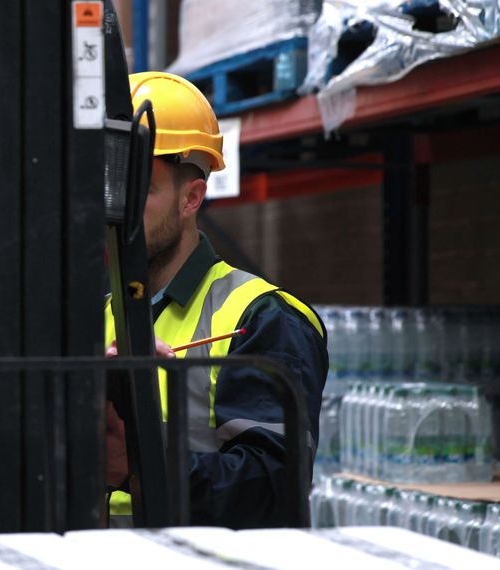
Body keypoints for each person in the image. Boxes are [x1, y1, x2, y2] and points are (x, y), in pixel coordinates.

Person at [104, 72, 328, 528]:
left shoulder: (262, 317)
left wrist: (139, 464)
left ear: (192, 198)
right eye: (109, 188)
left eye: (141, 191)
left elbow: (271, 488)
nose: (116, 210)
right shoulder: (98, 312)